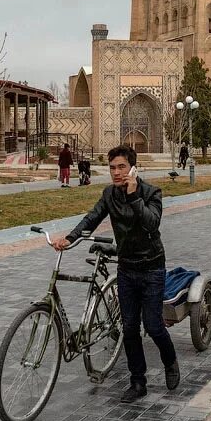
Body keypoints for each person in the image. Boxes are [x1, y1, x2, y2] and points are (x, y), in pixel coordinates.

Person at [54, 145, 179, 403]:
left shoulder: (151, 192)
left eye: (122, 167)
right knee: (130, 328)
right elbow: (92, 217)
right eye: (112, 168)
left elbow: (152, 222)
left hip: (152, 267)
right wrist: (70, 237)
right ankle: (137, 381)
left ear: (133, 168)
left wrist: (134, 197)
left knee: (154, 326)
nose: (116, 173)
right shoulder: (109, 194)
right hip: (127, 268)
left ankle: (170, 362)